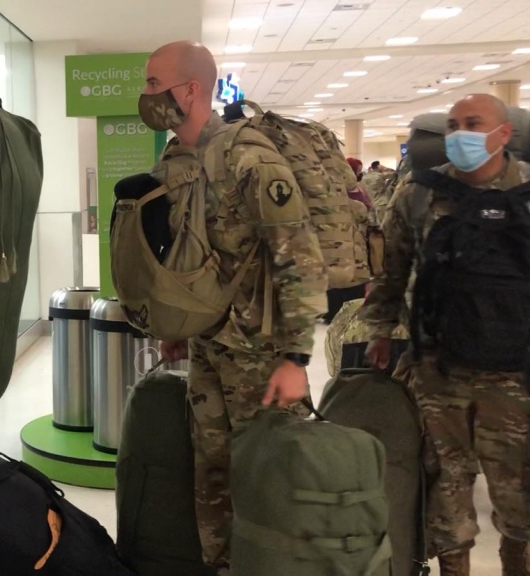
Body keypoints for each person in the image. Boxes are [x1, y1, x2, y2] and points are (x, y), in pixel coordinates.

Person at [142, 41, 328, 573]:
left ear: (190, 90)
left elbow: (300, 258)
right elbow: (185, 254)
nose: (146, 96)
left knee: (271, 483)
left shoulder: (251, 157)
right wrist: (179, 326)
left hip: (263, 354)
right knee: (213, 478)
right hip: (209, 347)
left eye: (153, 84)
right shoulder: (174, 161)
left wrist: (296, 358)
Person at [363, 93, 530, 576]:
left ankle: (517, 560)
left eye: (473, 124)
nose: (459, 135)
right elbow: (392, 269)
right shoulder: (419, 193)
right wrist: (379, 330)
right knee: (445, 480)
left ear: (504, 134)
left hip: (520, 368)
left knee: (518, 483)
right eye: (453, 126)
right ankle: (455, 568)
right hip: (438, 365)